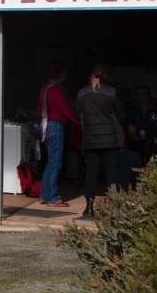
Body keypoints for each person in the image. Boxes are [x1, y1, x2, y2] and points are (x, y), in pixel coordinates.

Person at [76, 65, 124, 220]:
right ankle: (115, 210)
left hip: (90, 139)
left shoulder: (81, 94)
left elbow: (80, 115)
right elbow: (120, 114)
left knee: (91, 174)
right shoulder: (111, 92)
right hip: (110, 140)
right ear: (105, 77)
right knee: (112, 175)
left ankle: (89, 208)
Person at [37, 61, 80, 208]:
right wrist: (77, 122)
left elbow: (39, 108)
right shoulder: (57, 89)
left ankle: (44, 193)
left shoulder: (45, 87)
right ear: (60, 74)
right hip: (56, 125)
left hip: (46, 125)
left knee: (50, 161)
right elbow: (65, 109)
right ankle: (52, 197)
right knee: (55, 162)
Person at [126, 85, 157, 163]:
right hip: (139, 141)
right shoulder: (134, 112)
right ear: (137, 96)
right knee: (135, 148)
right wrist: (139, 139)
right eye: (141, 94)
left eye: (145, 93)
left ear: (149, 95)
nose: (144, 96)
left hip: (154, 141)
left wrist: (151, 140)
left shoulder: (155, 111)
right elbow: (131, 132)